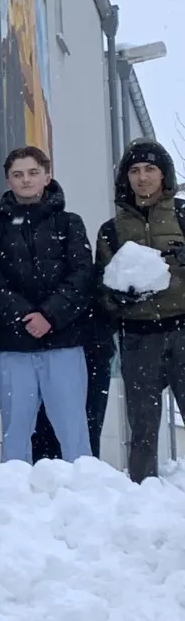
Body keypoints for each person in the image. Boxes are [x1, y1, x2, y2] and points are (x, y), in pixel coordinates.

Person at [0, 146, 94, 465]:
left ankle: (84, 503)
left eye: (33, 172)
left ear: (47, 177)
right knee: (15, 436)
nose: (26, 180)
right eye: (18, 174)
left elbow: (82, 275)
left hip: (63, 344)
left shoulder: (69, 224)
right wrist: (25, 315)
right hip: (12, 347)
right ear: (8, 181)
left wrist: (50, 315)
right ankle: (16, 506)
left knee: (73, 435)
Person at [95, 139, 182, 482]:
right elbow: (100, 287)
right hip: (138, 337)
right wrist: (118, 299)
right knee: (143, 426)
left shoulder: (184, 215)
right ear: (125, 178)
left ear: (163, 174)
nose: (142, 178)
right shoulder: (111, 229)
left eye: (150, 169)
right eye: (134, 171)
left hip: (183, 331)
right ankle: (143, 496)